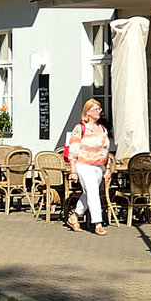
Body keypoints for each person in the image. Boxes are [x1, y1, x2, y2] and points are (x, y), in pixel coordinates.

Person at [66, 98, 111, 236]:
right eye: (96, 109)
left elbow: (106, 150)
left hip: (98, 166)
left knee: (89, 193)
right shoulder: (80, 128)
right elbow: (73, 150)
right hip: (84, 165)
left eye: (99, 109)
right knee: (93, 192)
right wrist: (73, 170)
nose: (99, 112)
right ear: (88, 112)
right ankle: (98, 223)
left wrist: (107, 168)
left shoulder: (102, 128)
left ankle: (74, 216)